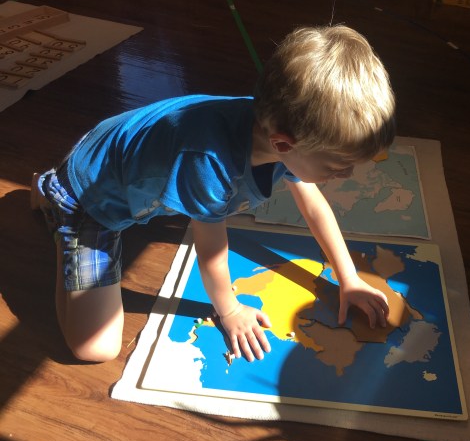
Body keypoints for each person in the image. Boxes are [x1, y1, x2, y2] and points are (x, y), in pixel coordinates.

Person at [31, 24, 396, 363]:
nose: (347, 175)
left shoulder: (282, 125)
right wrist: (230, 311)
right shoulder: (207, 164)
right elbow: (211, 252)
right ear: (283, 145)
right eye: (336, 167)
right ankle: (55, 205)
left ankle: (47, 190)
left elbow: (314, 205)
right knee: (95, 348)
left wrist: (348, 278)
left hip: (113, 156)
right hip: (89, 198)